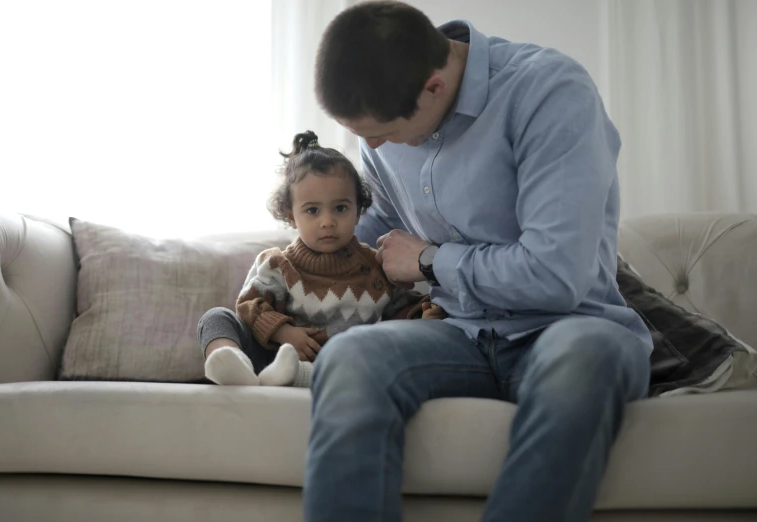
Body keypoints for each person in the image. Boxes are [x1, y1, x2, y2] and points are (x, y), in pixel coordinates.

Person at [306, 2, 654, 521]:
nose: (370, 146)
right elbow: (374, 240)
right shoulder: (385, 119)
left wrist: (429, 261)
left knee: (585, 361)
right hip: (459, 332)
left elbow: (554, 275)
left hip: (571, 326)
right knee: (349, 358)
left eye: (379, 134)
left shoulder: (549, 92)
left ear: (434, 87)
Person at [197, 130, 442, 388]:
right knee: (215, 318)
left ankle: (297, 376)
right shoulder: (278, 265)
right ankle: (231, 362)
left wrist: (424, 312)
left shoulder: (375, 268)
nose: (327, 222)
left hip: (341, 366)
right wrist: (284, 332)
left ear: (358, 211)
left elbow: (401, 309)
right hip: (271, 358)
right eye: (312, 210)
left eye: (340, 208)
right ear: (291, 216)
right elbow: (249, 307)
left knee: (373, 356)